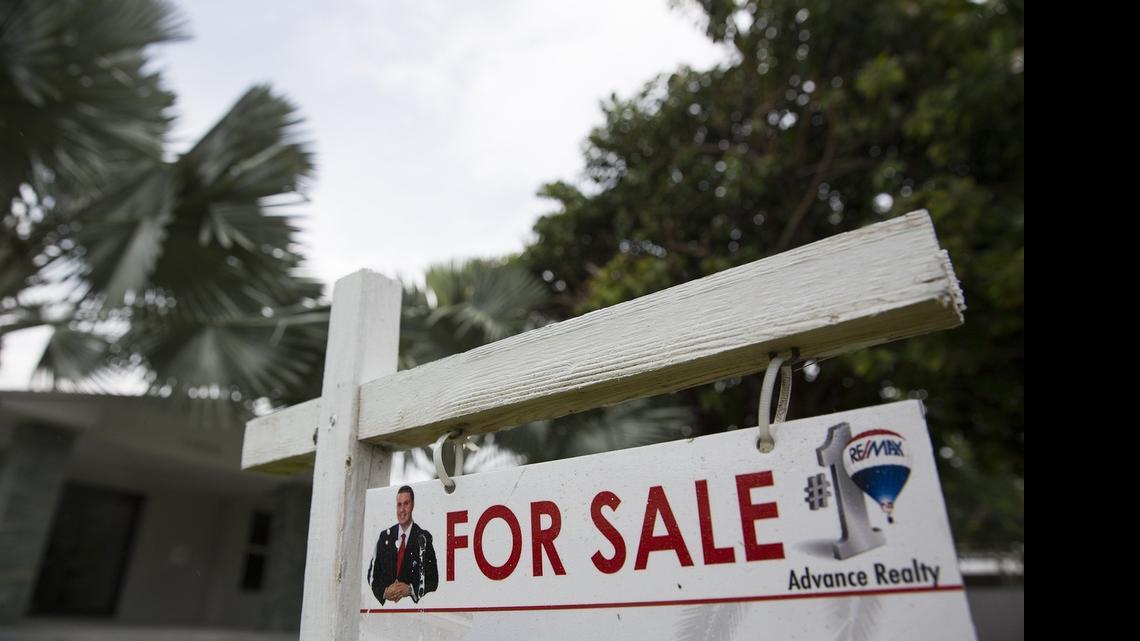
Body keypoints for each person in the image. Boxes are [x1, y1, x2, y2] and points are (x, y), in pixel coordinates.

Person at [368, 485, 439, 605]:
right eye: (399, 504)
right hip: (384, 612)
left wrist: (410, 589)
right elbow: (372, 575)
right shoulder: (384, 536)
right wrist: (385, 592)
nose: (402, 509)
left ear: (413, 505)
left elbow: (433, 581)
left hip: (414, 612)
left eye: (406, 504)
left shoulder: (423, 538)